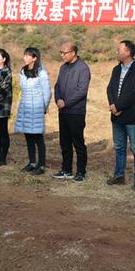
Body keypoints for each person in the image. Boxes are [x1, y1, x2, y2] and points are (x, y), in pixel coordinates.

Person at [105, 40, 135, 191]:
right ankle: (119, 175)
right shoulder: (116, 69)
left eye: (119, 50)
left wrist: (119, 106)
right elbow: (110, 88)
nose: (116, 52)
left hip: (132, 117)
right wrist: (113, 105)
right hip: (116, 116)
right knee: (119, 147)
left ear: (128, 52)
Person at [52, 41, 91, 182]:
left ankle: (81, 172)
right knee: (64, 142)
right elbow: (57, 86)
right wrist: (58, 99)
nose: (62, 55)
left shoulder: (83, 68)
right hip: (63, 111)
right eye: (61, 53)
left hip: (76, 112)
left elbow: (82, 91)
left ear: (73, 53)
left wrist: (66, 102)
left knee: (78, 142)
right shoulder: (63, 68)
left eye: (65, 53)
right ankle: (66, 170)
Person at [14, 47, 51, 175]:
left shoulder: (42, 73)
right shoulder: (23, 72)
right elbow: (22, 91)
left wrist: (44, 108)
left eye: (28, 55)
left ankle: (41, 165)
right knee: (28, 136)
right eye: (24, 55)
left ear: (34, 58)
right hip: (25, 107)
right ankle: (32, 162)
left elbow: (47, 92)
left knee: (38, 137)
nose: (25, 57)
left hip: (36, 108)